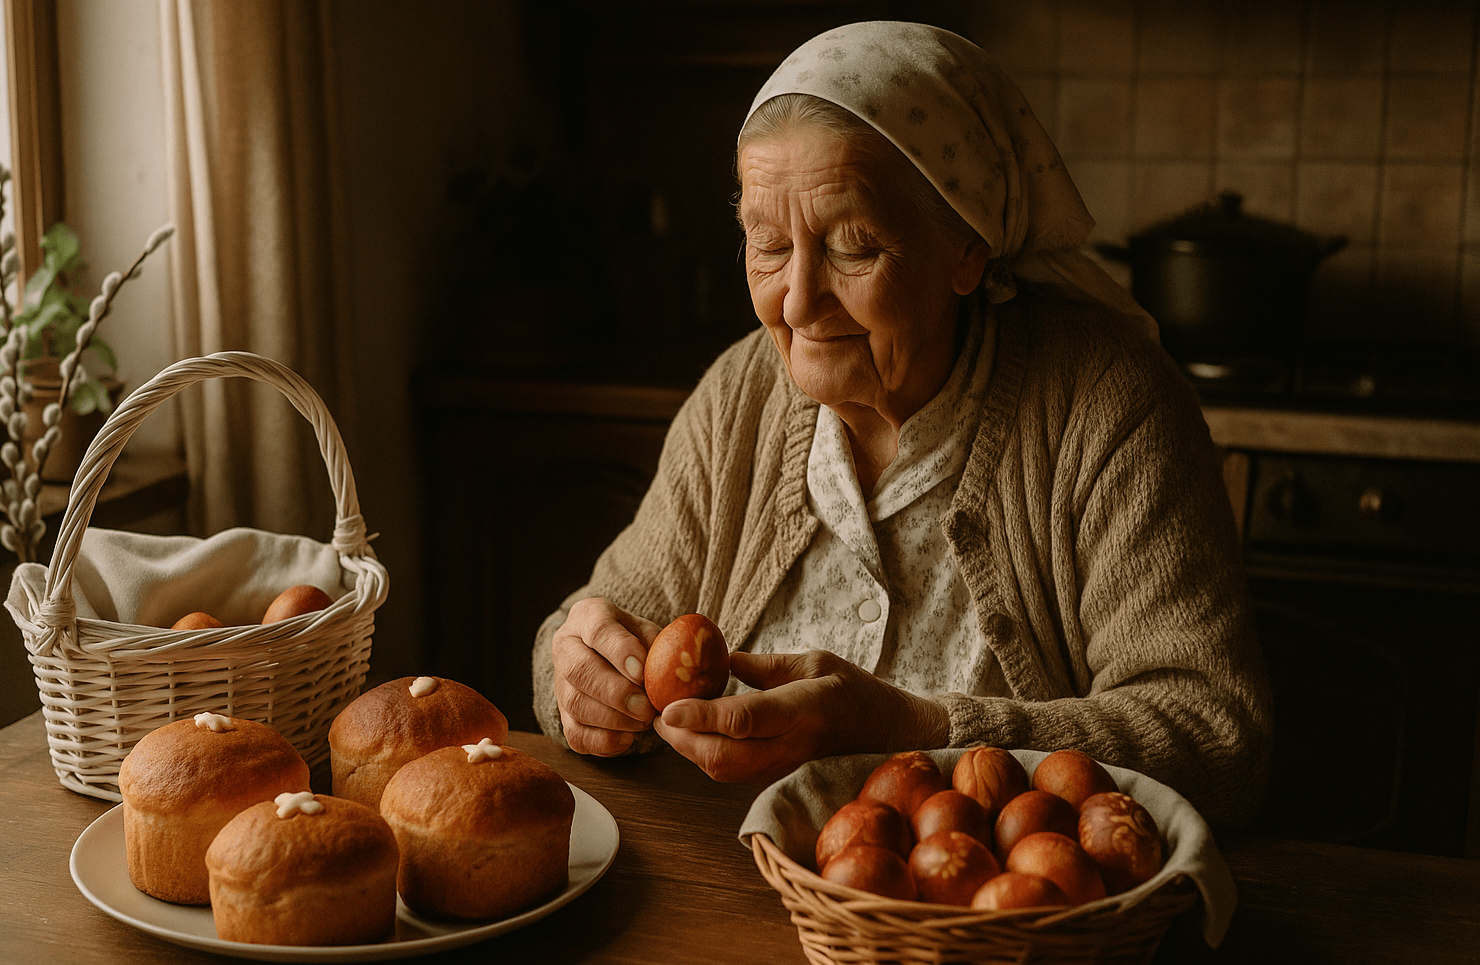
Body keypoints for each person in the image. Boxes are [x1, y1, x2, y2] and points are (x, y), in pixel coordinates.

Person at [531, 21, 1271, 827]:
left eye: (853, 248)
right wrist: (576, 675)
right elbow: (587, 623)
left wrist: (917, 732)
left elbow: (1216, 739)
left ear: (966, 248)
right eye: (769, 245)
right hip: (733, 889)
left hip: (995, 922)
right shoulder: (739, 394)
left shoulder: (1106, 406)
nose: (799, 302)